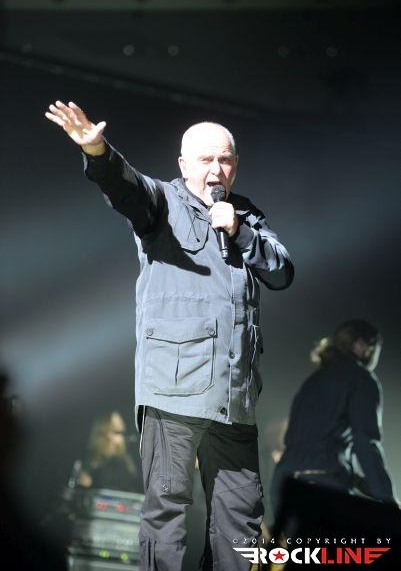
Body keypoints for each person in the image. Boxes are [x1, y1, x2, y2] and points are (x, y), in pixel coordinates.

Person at [45, 100, 294, 571]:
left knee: (241, 517)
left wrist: (239, 231)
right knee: (167, 512)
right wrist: (97, 151)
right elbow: (125, 187)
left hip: (234, 398)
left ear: (236, 165)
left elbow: (281, 272)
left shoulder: (244, 215)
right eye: (206, 159)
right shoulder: (161, 202)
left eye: (225, 159)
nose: (216, 169)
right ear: (183, 164)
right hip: (174, 392)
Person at [270, 319, 398, 520]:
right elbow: (365, 443)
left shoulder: (312, 381)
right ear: (361, 345)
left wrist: (354, 480)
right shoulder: (361, 379)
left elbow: (310, 444)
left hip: (283, 487)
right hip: (322, 489)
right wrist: (388, 501)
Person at [78, 411, 142, 493]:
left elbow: (134, 482)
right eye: (115, 431)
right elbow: (86, 483)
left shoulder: (126, 457)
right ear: (105, 431)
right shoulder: (93, 457)